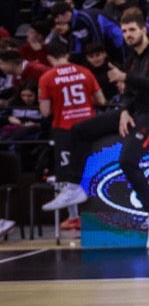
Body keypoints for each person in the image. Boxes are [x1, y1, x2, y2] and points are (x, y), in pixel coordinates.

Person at [44, 8, 149, 248]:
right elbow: (129, 93)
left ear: (143, 29)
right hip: (137, 110)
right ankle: (74, 186)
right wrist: (125, 109)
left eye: (132, 30)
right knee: (79, 130)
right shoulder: (131, 59)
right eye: (124, 31)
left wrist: (125, 78)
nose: (128, 34)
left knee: (127, 160)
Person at [36, 37, 104, 193]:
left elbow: (45, 111)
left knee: (67, 175)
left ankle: (73, 216)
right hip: (89, 127)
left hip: (64, 130)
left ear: (49, 58)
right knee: (91, 169)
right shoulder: (85, 72)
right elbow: (101, 100)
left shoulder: (46, 78)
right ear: (68, 55)